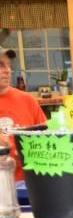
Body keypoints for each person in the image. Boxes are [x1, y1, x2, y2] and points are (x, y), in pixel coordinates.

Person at [0, 45, 47, 181]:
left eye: (9, 65)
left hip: (27, 184)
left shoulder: (27, 101)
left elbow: (47, 139)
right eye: (1, 65)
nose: (7, 70)